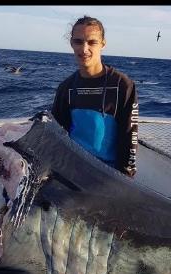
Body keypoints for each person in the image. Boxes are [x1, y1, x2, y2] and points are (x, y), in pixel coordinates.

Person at [52, 15, 139, 178]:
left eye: (92, 42)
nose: (84, 49)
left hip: (109, 176)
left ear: (103, 44)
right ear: (71, 44)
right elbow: (57, 137)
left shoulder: (122, 85)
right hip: (74, 173)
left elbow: (130, 139)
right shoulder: (66, 88)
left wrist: (124, 181)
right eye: (78, 42)